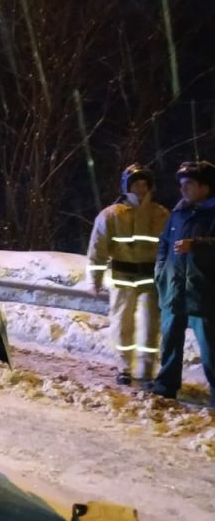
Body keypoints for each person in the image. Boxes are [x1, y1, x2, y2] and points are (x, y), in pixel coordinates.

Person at [86, 164, 169, 385]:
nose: (141, 189)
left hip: (150, 280)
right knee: (122, 324)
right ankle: (124, 368)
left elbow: (169, 249)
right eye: (136, 184)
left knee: (150, 325)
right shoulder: (111, 215)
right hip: (123, 278)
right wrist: (94, 278)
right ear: (127, 186)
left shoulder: (160, 214)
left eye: (144, 184)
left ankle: (146, 370)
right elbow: (98, 248)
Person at [150, 160, 215, 406]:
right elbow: (164, 242)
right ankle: (165, 388)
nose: (182, 189)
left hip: (204, 293)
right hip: (174, 289)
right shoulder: (178, 213)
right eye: (181, 184)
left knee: (210, 348)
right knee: (170, 342)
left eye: (188, 184)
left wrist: (196, 245)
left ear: (205, 188)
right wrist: (160, 269)